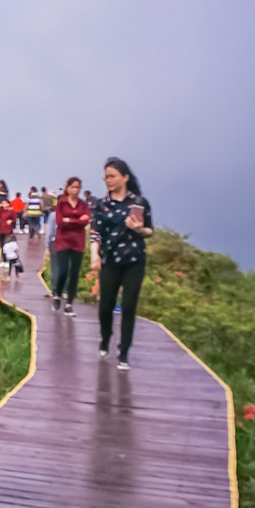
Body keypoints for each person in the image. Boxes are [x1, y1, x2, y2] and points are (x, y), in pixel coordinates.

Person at [90, 157, 153, 370]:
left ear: (125, 177)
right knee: (106, 305)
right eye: (106, 177)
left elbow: (149, 231)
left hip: (134, 260)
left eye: (112, 176)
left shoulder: (140, 203)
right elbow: (95, 233)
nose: (108, 180)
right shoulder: (101, 204)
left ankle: (124, 352)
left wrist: (138, 229)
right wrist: (94, 256)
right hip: (110, 261)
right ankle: (105, 337)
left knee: (128, 306)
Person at [51, 177, 90, 315]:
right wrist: (78, 220)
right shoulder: (61, 203)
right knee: (62, 271)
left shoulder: (83, 204)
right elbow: (60, 222)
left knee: (74, 273)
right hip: (63, 240)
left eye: (78, 187)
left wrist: (71, 220)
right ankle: (57, 293)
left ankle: (69, 303)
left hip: (78, 242)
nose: (75, 190)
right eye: (73, 187)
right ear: (67, 188)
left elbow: (86, 221)